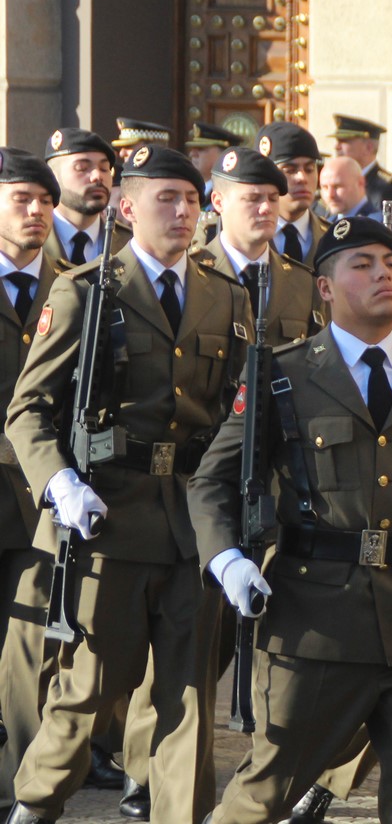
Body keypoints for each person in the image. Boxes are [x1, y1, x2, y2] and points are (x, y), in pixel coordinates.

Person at [188, 216, 392, 824]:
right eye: (362, 265)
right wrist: (227, 558)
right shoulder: (283, 372)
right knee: (266, 790)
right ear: (324, 288)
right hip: (315, 621)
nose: (383, 275)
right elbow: (212, 480)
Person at [6, 146, 250, 824]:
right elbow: (28, 410)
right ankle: (35, 804)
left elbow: (238, 412)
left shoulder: (226, 295)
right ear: (127, 207)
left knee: (190, 694)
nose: (181, 212)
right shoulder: (86, 290)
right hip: (106, 518)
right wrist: (60, 483)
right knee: (89, 688)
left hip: (192, 524)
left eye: (191, 200)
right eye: (165, 198)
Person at [0, 152, 63, 812]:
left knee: (27, 648)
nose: (37, 212)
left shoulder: (72, 288)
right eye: (22, 199)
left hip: (39, 496)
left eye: (46, 201)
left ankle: (17, 786)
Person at [191, 148, 324, 348]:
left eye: (273, 198)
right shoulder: (191, 274)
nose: (266, 208)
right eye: (253, 199)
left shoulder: (304, 283)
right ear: (218, 202)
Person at [42, 128, 127, 266]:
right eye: (82, 168)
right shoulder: (31, 239)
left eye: (104, 169)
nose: (97, 176)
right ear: (52, 176)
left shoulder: (128, 243)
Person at [259, 122, 329, 267]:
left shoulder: (332, 237)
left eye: (309, 169)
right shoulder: (239, 236)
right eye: (290, 170)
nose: (302, 178)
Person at [331, 115, 392, 228]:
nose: (336, 147)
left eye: (344, 141)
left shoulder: (388, 187)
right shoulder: (338, 183)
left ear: (369, 147)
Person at [183, 122, 239, 196]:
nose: (192, 154)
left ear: (224, 155)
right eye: (192, 149)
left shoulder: (231, 193)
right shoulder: (188, 188)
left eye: (201, 149)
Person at [319, 157, 378, 223]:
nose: (330, 195)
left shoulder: (379, 225)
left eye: (337, 186)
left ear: (360, 183)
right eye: (325, 187)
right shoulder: (326, 224)